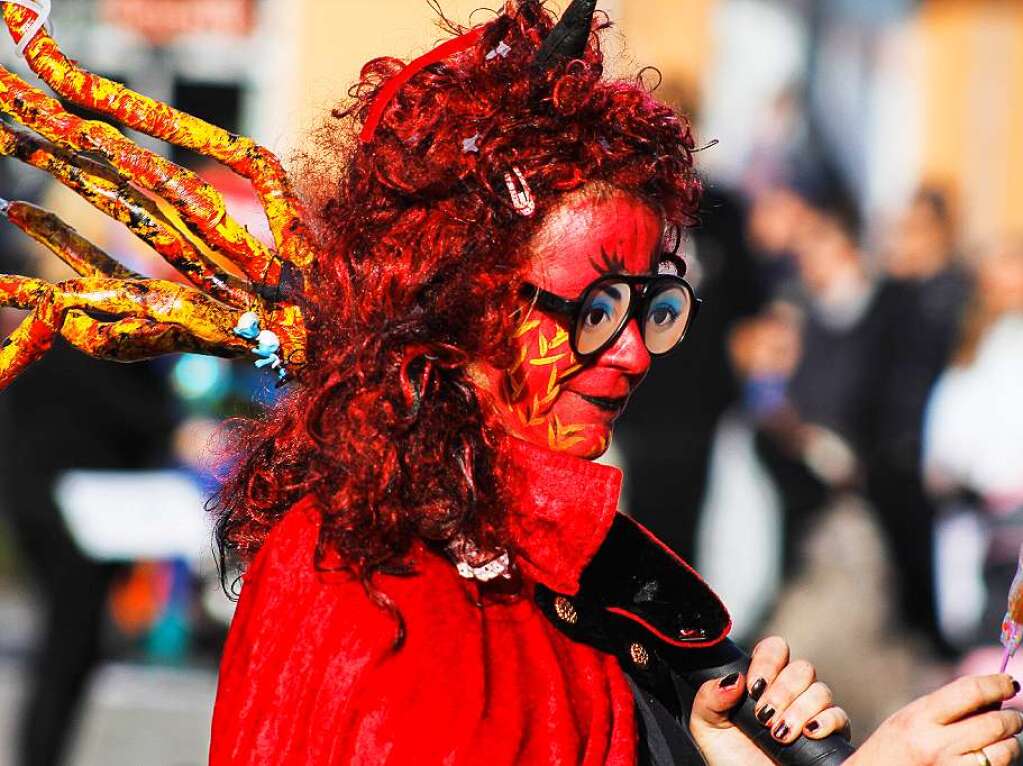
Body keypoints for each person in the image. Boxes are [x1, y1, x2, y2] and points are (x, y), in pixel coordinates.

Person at [0, 2, 1021, 764]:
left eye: (657, 306)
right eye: (593, 308)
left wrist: (701, 741)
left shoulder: (542, 564)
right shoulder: (381, 589)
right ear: (460, 308)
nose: (630, 353)